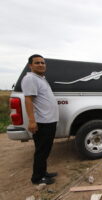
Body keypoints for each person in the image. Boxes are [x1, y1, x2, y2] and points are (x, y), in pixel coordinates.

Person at [21, 54, 59, 185]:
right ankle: (37, 178)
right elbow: (28, 100)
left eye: (43, 63)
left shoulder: (41, 78)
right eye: (37, 63)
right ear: (30, 65)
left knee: (45, 149)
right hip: (42, 122)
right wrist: (32, 121)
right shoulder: (30, 79)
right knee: (41, 151)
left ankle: (43, 173)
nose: (41, 65)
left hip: (49, 120)